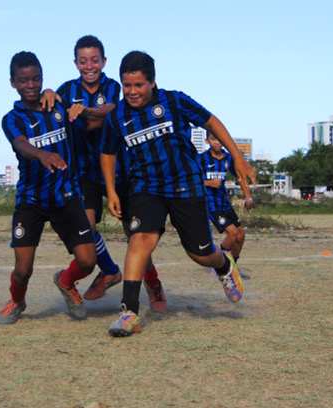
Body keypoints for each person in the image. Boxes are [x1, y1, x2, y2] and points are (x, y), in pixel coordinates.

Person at [100, 51, 254, 337]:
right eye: (127, 85)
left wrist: (238, 157)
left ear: (153, 82)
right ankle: (129, 313)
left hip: (186, 184)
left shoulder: (174, 101)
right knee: (139, 240)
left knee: (201, 254)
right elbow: (107, 153)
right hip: (146, 186)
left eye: (139, 85)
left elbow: (211, 121)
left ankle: (224, 266)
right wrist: (111, 190)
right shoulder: (117, 115)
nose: (132, 92)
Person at [41, 35, 146, 302]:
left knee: (136, 233)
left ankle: (154, 286)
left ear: (104, 61)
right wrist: (49, 92)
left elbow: (110, 111)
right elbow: (52, 111)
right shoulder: (66, 90)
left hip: (118, 172)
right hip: (84, 174)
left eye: (95, 60)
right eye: (83, 60)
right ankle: (110, 271)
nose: (90, 66)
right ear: (76, 63)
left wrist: (85, 111)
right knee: (86, 229)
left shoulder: (112, 86)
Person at [0, 51, 97, 325]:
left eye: (36, 79)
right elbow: (20, 145)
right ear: (13, 82)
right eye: (24, 80)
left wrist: (82, 110)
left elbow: (95, 118)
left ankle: (65, 282)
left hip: (67, 195)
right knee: (22, 270)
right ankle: (16, 300)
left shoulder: (59, 105)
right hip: (32, 200)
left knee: (88, 261)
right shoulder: (12, 118)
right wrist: (42, 155)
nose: (31, 85)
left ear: (42, 78)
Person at [202, 130, 255, 274]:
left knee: (241, 235)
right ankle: (219, 268)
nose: (217, 142)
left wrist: (248, 197)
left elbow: (240, 177)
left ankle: (232, 270)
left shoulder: (228, 158)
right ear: (207, 141)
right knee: (232, 233)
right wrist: (208, 182)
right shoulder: (201, 159)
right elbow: (191, 181)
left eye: (219, 139)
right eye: (213, 139)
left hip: (224, 203)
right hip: (211, 205)